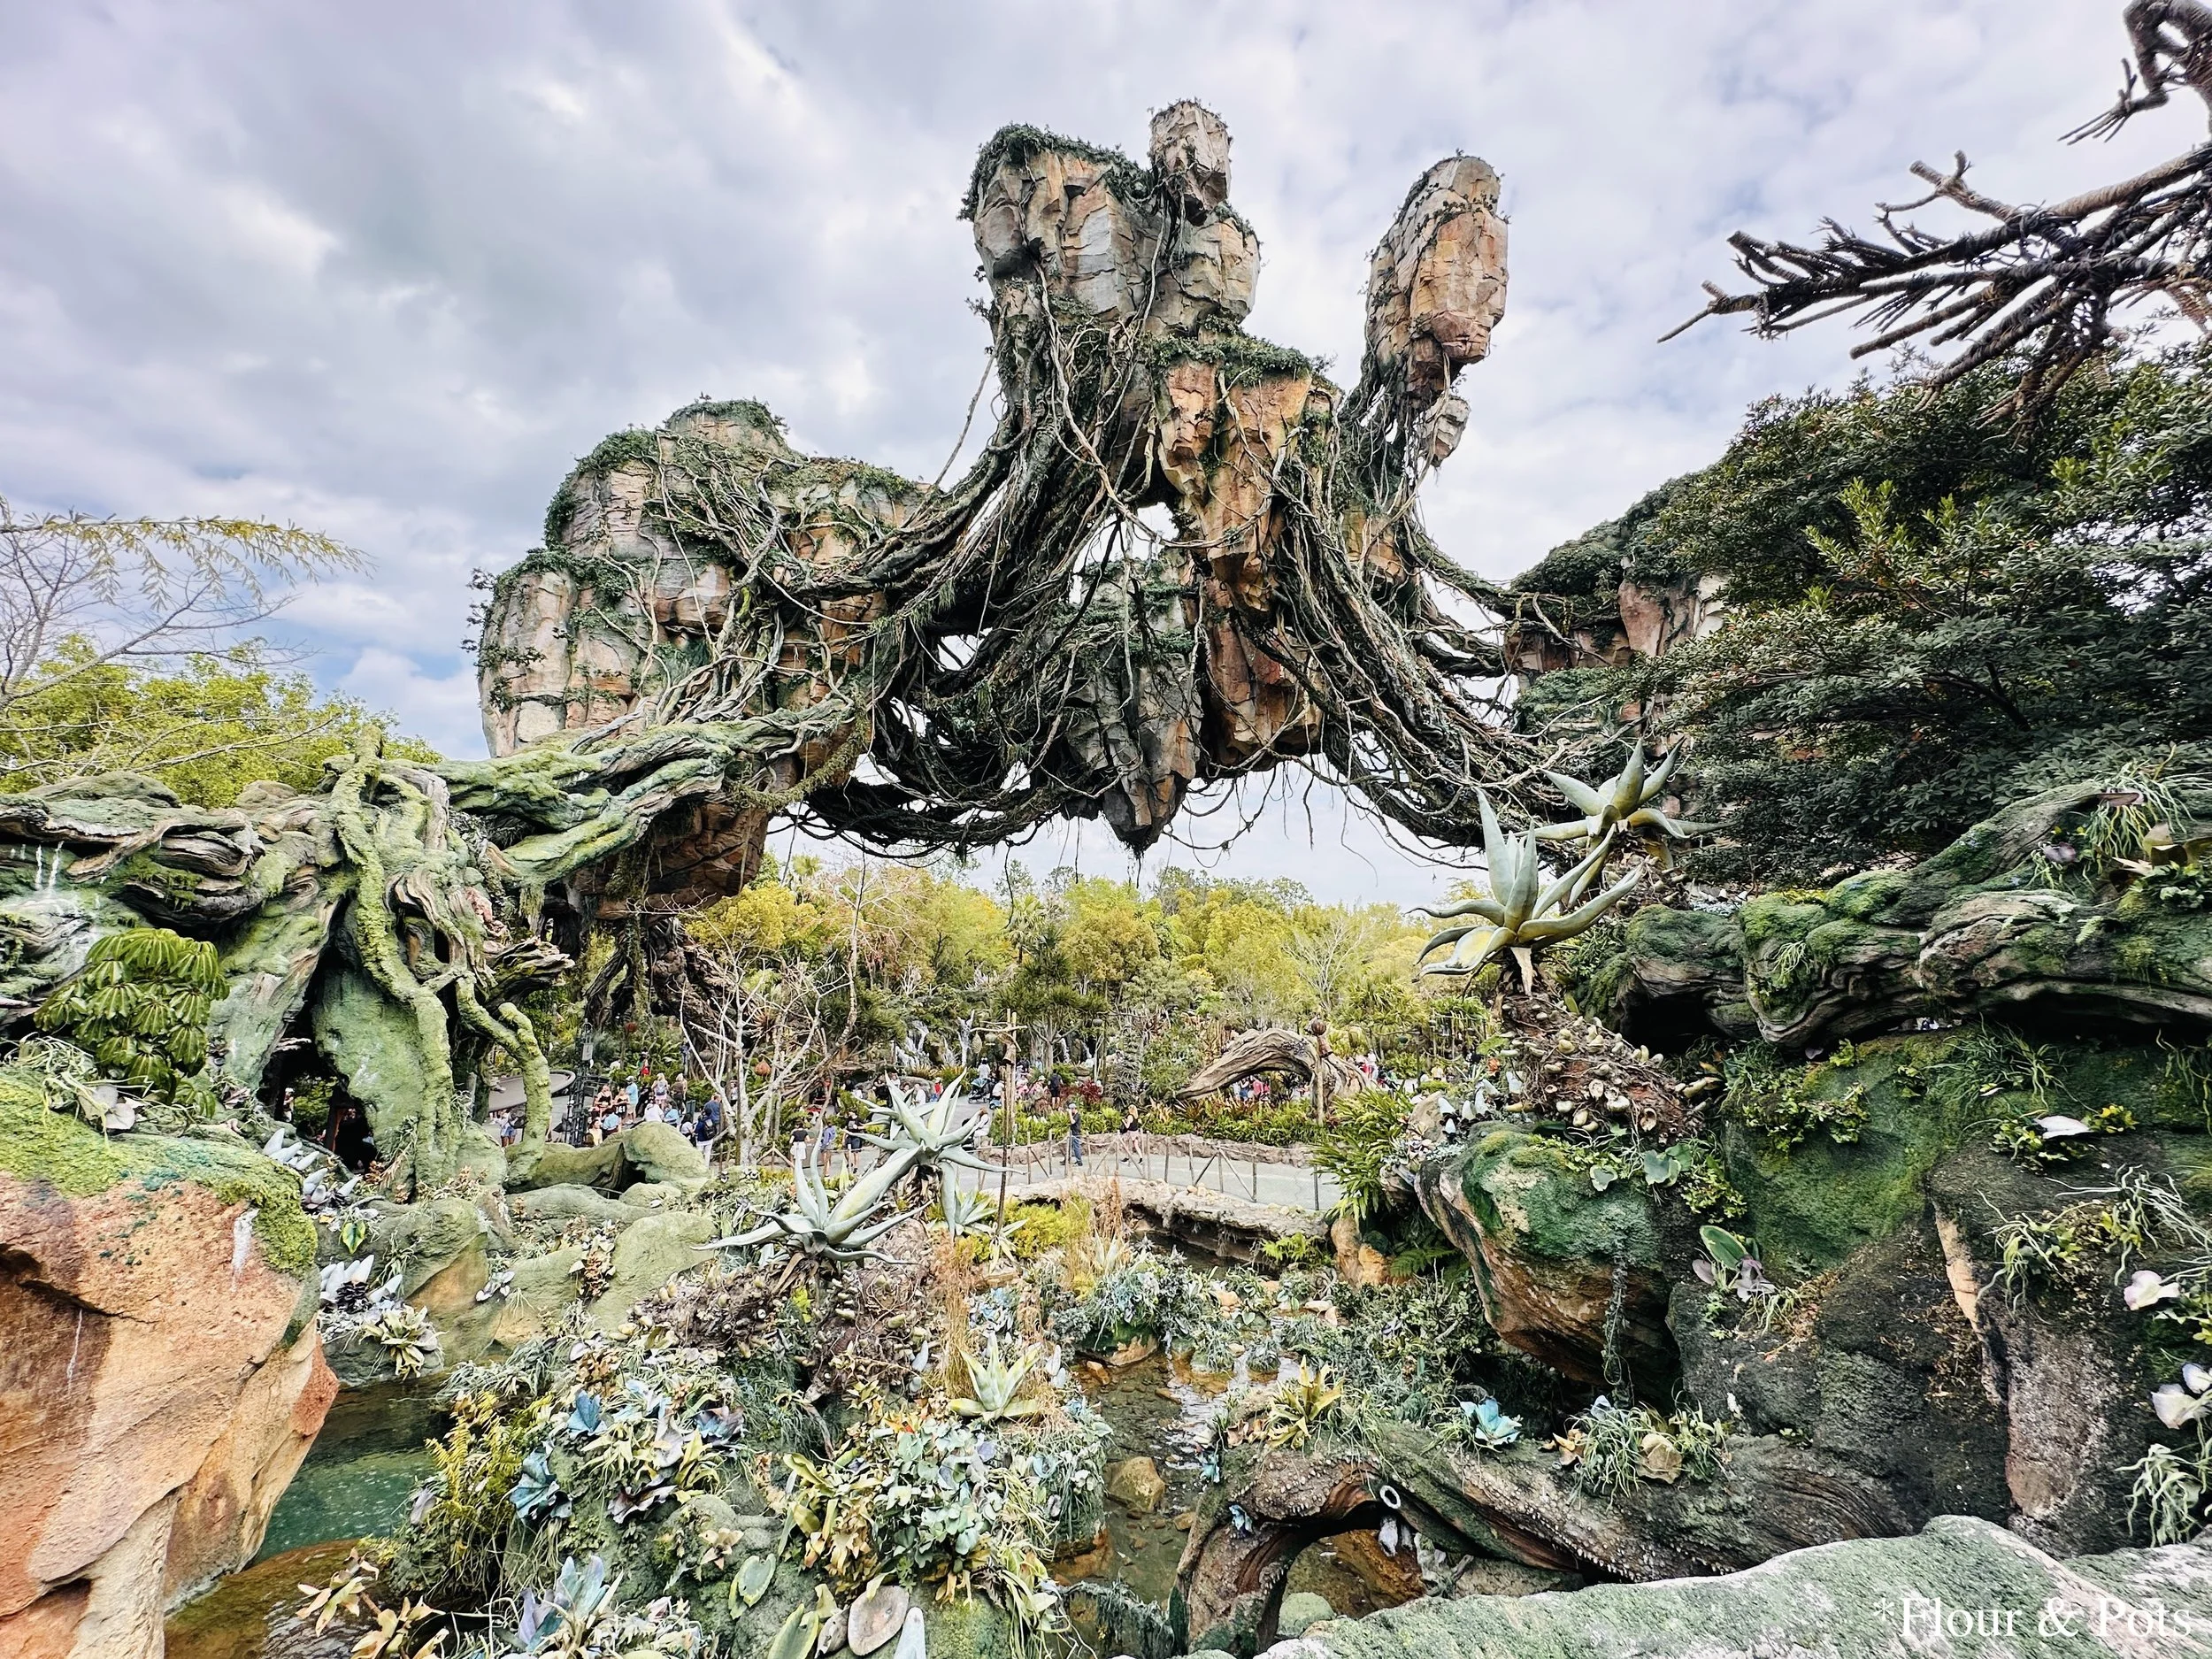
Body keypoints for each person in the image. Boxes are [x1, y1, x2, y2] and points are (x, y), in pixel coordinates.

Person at [1066, 1097, 1084, 1168]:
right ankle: (1066, 1160)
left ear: (1073, 1109)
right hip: (1072, 1133)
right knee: (1069, 1146)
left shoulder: (1077, 1115)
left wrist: (1070, 1114)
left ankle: (1079, 1161)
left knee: (1076, 1147)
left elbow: (1073, 1122)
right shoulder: (1074, 1115)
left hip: (1076, 1133)